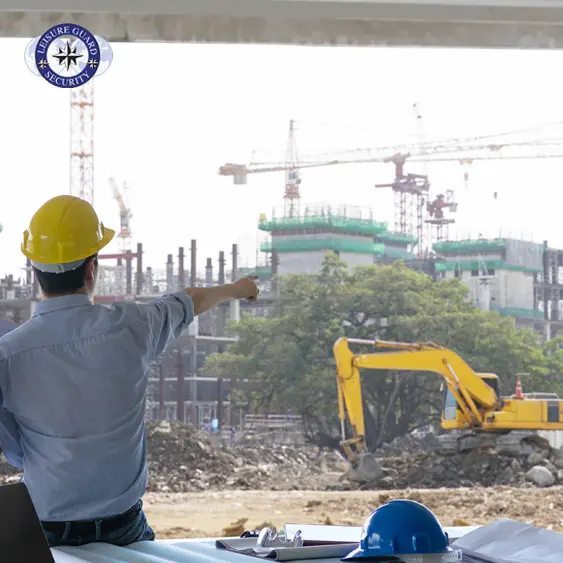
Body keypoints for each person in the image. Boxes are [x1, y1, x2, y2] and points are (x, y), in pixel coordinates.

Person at [0, 195, 259, 548]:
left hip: (46, 533)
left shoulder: (8, 356)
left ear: (34, 270)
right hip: (124, 530)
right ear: (92, 268)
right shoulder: (134, 325)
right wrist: (238, 289)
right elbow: (190, 301)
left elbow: (15, 453)